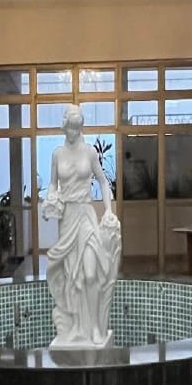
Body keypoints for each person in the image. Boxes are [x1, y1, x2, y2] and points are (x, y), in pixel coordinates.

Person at [41, 104, 121, 348]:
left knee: (90, 273)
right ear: (65, 126)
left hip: (86, 216)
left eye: (77, 128)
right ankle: (77, 327)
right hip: (67, 219)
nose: (74, 132)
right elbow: (53, 184)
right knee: (71, 278)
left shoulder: (90, 153)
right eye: (71, 128)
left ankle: (95, 327)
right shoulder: (57, 154)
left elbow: (103, 182)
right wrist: (50, 197)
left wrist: (109, 210)